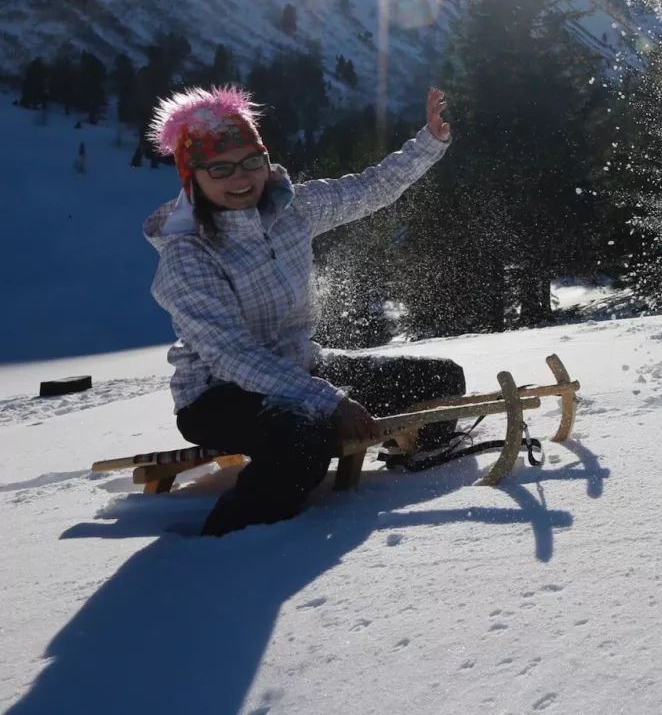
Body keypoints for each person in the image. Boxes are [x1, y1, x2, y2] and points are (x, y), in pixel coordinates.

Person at [143, 84, 462, 536]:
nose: (242, 178)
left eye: (252, 161)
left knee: (439, 379)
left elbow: (370, 188)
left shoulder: (294, 207)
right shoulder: (188, 255)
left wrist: (429, 142)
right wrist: (327, 398)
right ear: (192, 177)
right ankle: (225, 540)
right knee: (304, 437)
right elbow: (231, 355)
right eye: (221, 168)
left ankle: (413, 461)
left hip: (303, 368)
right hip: (218, 395)